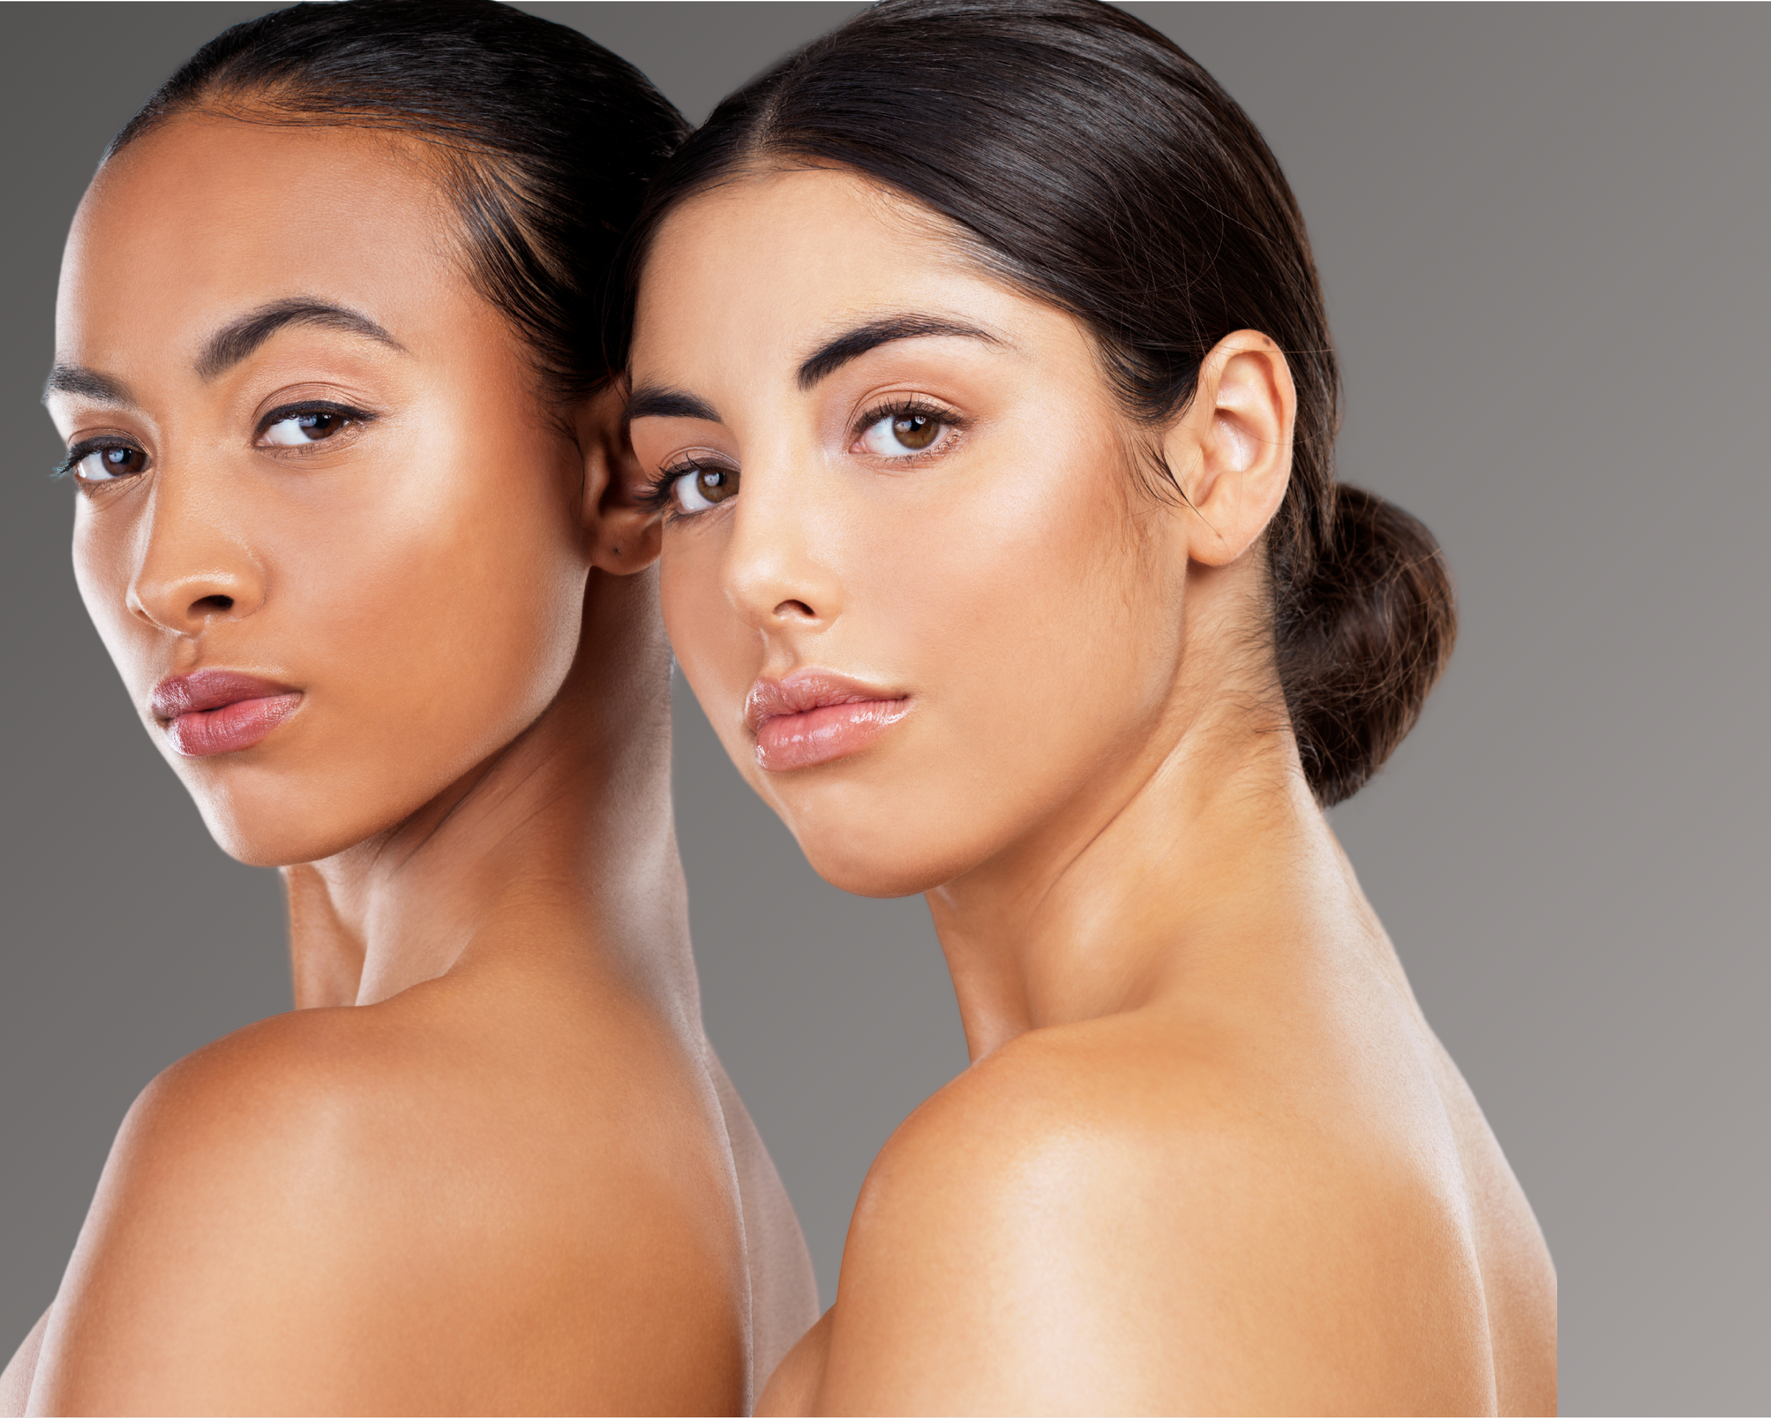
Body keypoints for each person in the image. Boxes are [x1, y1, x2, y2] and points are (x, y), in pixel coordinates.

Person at [619, 0, 1557, 1409]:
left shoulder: (1060, 1180)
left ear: (1223, 449)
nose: (759, 568)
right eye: (699, 474)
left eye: (907, 423)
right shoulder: (1402, 1136)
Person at [3, 3, 816, 1412]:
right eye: (110, 451)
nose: (166, 569)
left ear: (629, 472)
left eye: (307, 417)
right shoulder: (735, 1195)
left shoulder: (305, 1145)